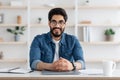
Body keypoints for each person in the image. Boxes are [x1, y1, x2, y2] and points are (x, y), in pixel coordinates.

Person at [30, 7, 85, 72]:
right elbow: (33, 63)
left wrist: (72, 66)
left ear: (65, 24)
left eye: (61, 22)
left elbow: (82, 63)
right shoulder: (38, 40)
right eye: (54, 22)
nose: (57, 26)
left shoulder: (73, 40)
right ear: (49, 23)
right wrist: (51, 66)